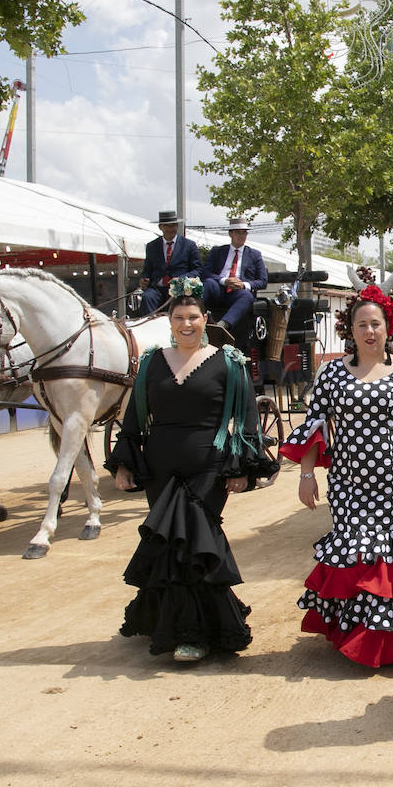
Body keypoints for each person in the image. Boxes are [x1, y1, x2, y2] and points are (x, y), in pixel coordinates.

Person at [106, 279, 277, 662]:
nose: (187, 324)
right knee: (168, 542)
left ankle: (193, 635)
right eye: (179, 317)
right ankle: (174, 620)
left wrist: (242, 469)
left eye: (193, 317)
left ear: (206, 319)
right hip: (159, 468)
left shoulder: (229, 362)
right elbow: (134, 417)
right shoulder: (151, 361)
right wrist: (123, 466)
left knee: (196, 542)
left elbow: (246, 420)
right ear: (169, 320)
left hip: (208, 470)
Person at [280, 284, 393, 667]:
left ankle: (391, 638)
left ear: (389, 327)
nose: (370, 332)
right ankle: (362, 635)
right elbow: (315, 425)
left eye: (376, 324)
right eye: (362, 325)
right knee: (358, 549)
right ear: (349, 330)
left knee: (390, 554)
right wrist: (306, 476)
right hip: (349, 480)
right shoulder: (332, 374)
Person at [135, 210, 206, 317]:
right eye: (167, 226)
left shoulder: (189, 245)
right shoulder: (152, 246)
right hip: (157, 289)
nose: (170, 229)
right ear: (160, 227)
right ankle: (150, 326)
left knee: (180, 303)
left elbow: (198, 270)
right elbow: (147, 270)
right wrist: (144, 278)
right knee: (147, 297)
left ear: (177, 226)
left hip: (179, 289)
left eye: (173, 226)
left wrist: (181, 279)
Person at [203, 220, 268, 337]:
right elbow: (206, 272)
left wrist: (243, 285)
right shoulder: (218, 251)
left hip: (238, 292)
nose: (242, 236)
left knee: (247, 296)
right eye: (238, 232)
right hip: (219, 288)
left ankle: (222, 325)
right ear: (230, 234)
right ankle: (191, 316)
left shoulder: (254, 255)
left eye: (244, 233)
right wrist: (224, 280)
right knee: (208, 283)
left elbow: (263, 281)